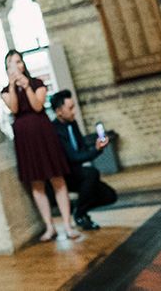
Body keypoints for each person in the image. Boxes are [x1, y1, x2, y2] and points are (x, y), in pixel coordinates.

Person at [0, 50, 78, 241]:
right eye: (12, 63)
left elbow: (37, 106)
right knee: (37, 183)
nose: (17, 66)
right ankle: (49, 226)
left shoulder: (37, 83)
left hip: (43, 133)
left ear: (23, 64)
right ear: (7, 68)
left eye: (19, 62)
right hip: (25, 138)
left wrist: (26, 87)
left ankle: (68, 225)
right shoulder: (5, 91)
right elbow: (15, 108)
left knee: (57, 178)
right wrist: (13, 85)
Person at [50, 89, 118, 229]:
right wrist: (96, 150)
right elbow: (73, 157)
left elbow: (81, 148)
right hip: (65, 176)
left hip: (78, 173)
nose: (74, 111)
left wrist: (96, 146)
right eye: (70, 108)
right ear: (59, 111)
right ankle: (79, 215)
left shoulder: (72, 124)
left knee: (110, 196)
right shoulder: (55, 130)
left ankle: (79, 209)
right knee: (92, 173)